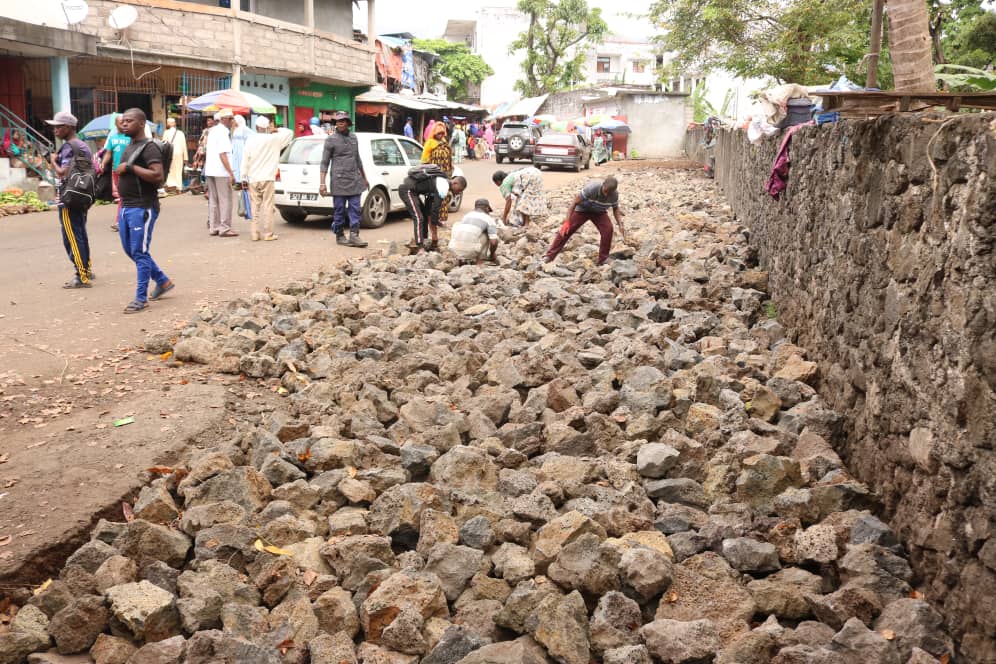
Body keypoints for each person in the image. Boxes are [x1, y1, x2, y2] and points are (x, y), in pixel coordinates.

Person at [114, 108, 174, 314]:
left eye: (129, 121)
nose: (124, 124)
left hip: (143, 207)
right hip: (126, 206)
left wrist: (130, 169)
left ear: (141, 124)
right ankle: (163, 281)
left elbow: (158, 176)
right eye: (123, 121)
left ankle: (141, 298)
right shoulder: (130, 146)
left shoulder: (149, 148)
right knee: (131, 250)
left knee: (140, 252)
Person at [46, 111, 94, 289]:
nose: (55, 130)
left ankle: (81, 275)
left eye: (58, 127)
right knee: (79, 233)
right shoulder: (83, 146)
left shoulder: (69, 147)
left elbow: (63, 172)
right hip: (81, 195)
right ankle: (86, 269)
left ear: (68, 127)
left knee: (71, 237)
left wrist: (53, 161)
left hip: (69, 197)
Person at [544, 176, 626, 266]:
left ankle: (603, 259)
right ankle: (550, 256)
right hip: (583, 210)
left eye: (609, 193)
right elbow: (574, 202)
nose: (606, 194)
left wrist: (620, 224)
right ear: (603, 185)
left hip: (599, 212)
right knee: (567, 230)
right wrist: (567, 221)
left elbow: (615, 209)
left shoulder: (614, 195)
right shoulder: (592, 188)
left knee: (608, 229)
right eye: (605, 191)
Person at [318, 111, 369, 248]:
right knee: (339, 210)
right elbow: (324, 162)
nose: (340, 123)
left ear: (348, 123)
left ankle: (354, 235)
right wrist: (322, 183)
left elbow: (357, 159)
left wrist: (364, 178)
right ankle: (340, 235)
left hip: (354, 179)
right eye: (338, 121)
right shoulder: (330, 140)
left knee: (355, 208)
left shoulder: (354, 138)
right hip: (338, 180)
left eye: (343, 120)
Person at [241, 116, 293, 242]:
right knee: (268, 206)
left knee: (255, 207)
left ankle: (254, 234)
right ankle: (268, 233)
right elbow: (289, 133)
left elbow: (245, 159)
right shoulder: (274, 139)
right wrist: (275, 129)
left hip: (253, 177)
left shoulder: (250, 140)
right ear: (266, 127)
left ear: (256, 127)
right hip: (268, 178)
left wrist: (243, 177)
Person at [399, 168, 467, 252]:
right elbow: (435, 209)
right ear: (455, 183)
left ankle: (424, 240)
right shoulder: (444, 186)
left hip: (414, 192)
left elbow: (430, 209)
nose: (458, 193)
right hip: (407, 190)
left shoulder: (439, 184)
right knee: (418, 217)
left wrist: (436, 225)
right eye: (459, 190)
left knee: (423, 215)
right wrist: (437, 224)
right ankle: (420, 246)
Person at [204, 108, 238, 237]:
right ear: (225, 119)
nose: (232, 121)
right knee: (225, 200)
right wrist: (231, 173)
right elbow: (223, 154)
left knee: (214, 200)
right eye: (230, 119)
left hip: (211, 170)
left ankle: (214, 226)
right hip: (221, 171)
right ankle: (224, 227)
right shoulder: (223, 132)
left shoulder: (213, 131)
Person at [421, 122, 454, 228]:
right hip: (434, 174)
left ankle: (439, 219)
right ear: (434, 133)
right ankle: (432, 221)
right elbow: (424, 159)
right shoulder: (430, 143)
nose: (440, 135)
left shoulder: (444, 142)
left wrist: (450, 167)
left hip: (445, 173)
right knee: (434, 199)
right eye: (438, 133)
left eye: (442, 133)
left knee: (444, 197)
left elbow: (449, 157)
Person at [449, 198, 499, 264]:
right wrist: (492, 254)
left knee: (460, 226)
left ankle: (461, 258)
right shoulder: (488, 219)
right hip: (471, 252)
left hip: (454, 250)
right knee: (490, 235)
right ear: (487, 208)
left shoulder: (466, 216)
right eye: (488, 210)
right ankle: (480, 260)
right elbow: (493, 242)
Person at [104, 115, 131, 232]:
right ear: (116, 124)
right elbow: (108, 153)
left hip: (128, 171)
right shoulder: (112, 137)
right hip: (116, 171)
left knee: (124, 197)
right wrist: (103, 164)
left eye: (125, 121)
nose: (124, 124)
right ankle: (122, 221)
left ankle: (121, 221)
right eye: (121, 122)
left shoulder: (131, 137)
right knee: (123, 197)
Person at [162, 117, 187, 193]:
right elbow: (184, 145)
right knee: (178, 170)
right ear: (174, 124)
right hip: (179, 153)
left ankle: (171, 186)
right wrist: (185, 157)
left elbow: (164, 144)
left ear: (169, 124)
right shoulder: (181, 133)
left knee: (170, 169)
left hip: (170, 153)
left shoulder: (166, 132)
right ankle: (179, 188)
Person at [229, 115, 250, 189]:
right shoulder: (234, 129)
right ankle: (238, 182)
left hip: (242, 151)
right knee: (235, 165)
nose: (233, 122)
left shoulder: (245, 129)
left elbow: (251, 137)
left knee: (242, 165)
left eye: (234, 120)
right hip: (235, 151)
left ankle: (244, 181)